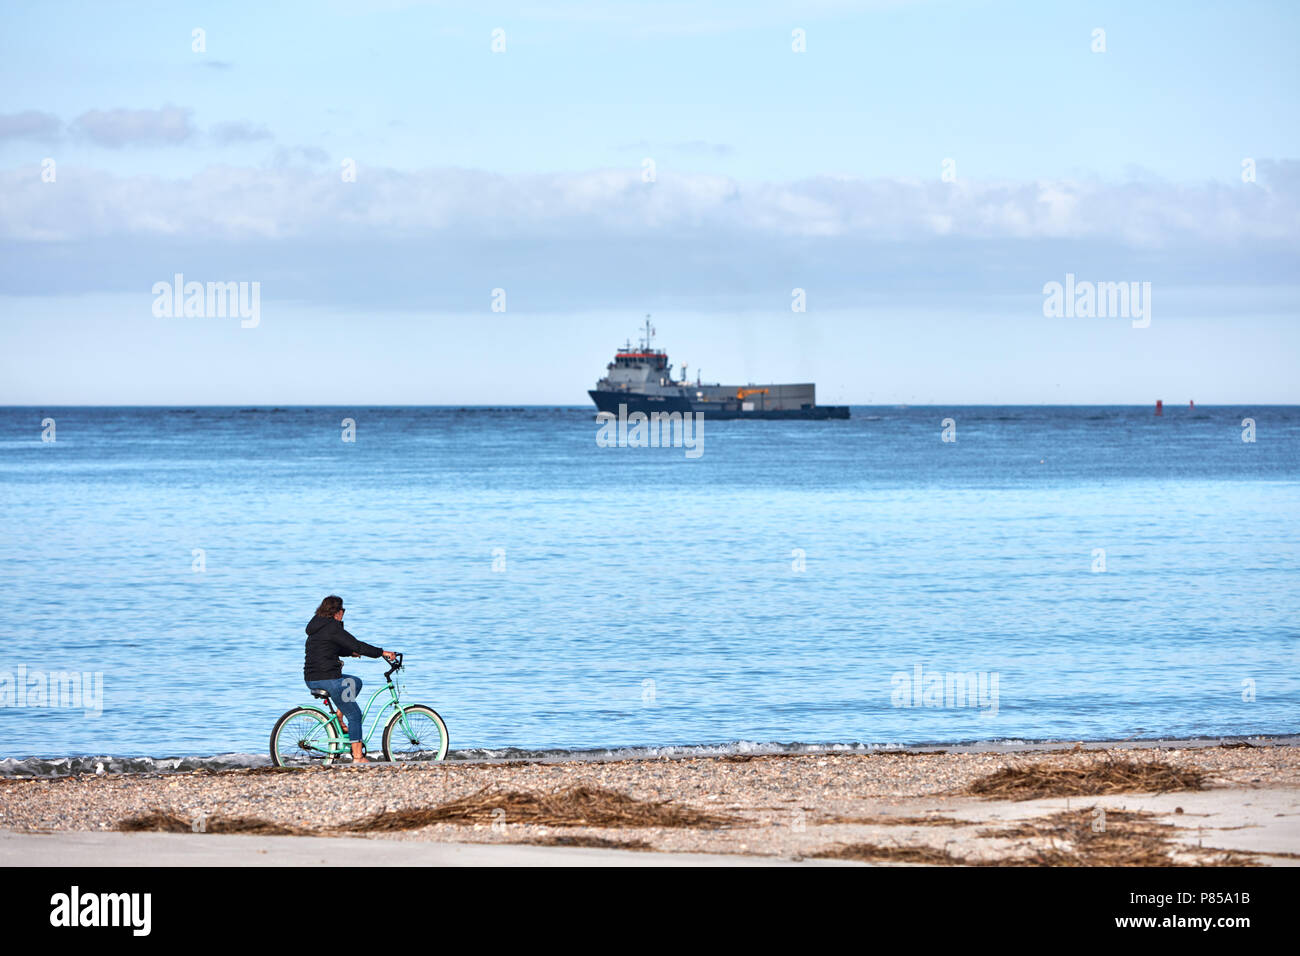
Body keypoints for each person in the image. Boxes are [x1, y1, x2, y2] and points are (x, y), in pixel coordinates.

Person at [304, 595, 395, 763]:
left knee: (354, 682)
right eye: (343, 611)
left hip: (312, 678)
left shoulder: (317, 626)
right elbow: (357, 644)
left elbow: (329, 648)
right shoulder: (332, 626)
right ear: (337, 612)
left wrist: (349, 653)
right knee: (354, 714)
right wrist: (382, 652)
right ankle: (358, 757)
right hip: (328, 679)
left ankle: (339, 717)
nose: (343, 614)